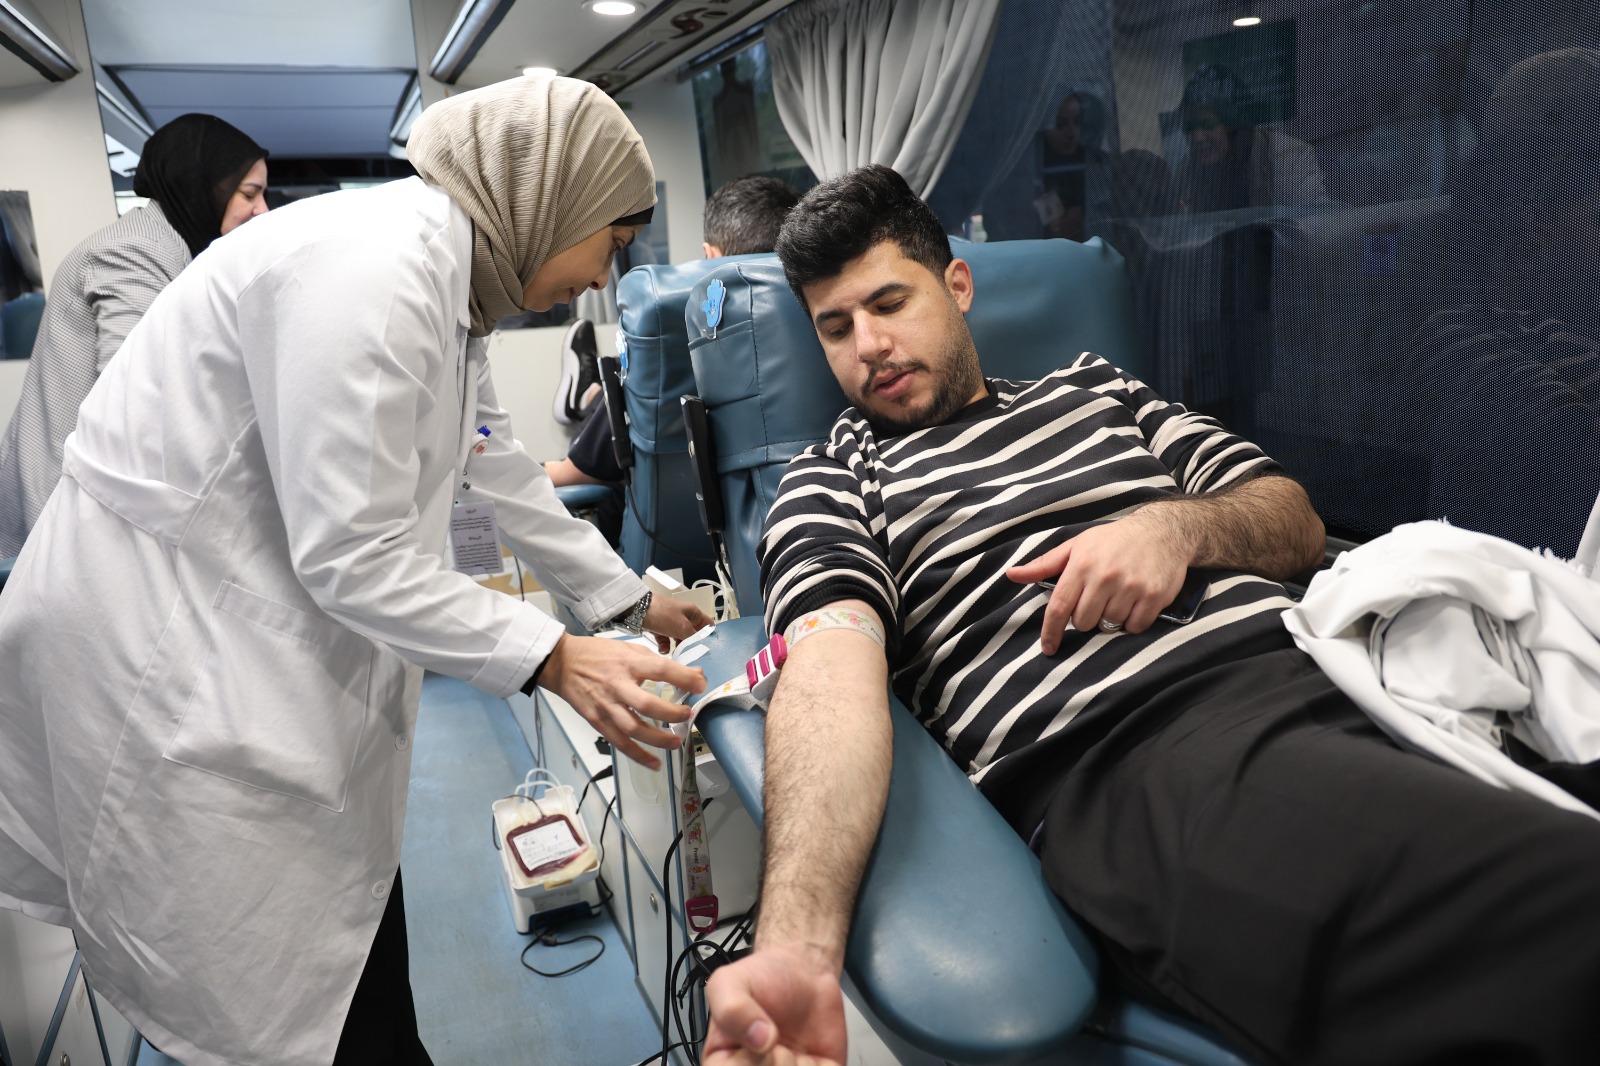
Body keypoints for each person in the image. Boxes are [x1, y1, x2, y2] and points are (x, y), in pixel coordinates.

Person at [701, 164, 1600, 1066]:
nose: (869, 346)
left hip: (1345, 671)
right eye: (836, 327)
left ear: (957, 286)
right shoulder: (831, 482)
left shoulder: (1095, 392)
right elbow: (829, 677)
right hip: (1139, 752)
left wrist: (1172, 528)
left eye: (890, 303)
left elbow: (1291, 520)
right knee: (1558, 909)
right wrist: (794, 954)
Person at [0, 76, 711, 1066]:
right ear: (550, 202)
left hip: (248, 639)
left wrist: (625, 597)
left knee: (344, 963)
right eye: (613, 240)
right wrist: (555, 656)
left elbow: (489, 459)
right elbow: (348, 551)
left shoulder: (452, 285)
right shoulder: (374, 271)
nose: (604, 275)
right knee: (282, 989)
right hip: (165, 657)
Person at [0, 113, 269, 556]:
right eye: (249, 193)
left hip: (79, 497)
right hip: (58, 503)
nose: (262, 210)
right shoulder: (137, 250)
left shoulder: (172, 247)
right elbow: (136, 395)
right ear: (202, 186)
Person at [544, 175, 801, 491]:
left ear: (709, 255)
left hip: (659, 508)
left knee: (631, 379)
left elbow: (571, 475)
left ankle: (590, 393)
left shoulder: (674, 341)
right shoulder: (825, 332)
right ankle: (591, 393)